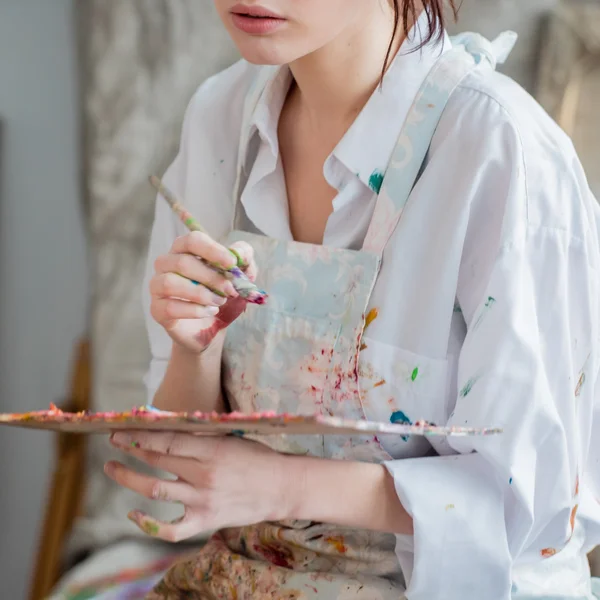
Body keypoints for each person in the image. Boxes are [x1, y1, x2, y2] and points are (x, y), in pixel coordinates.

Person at [102, 0, 600, 598]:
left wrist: (282, 485)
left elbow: (530, 508)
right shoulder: (220, 116)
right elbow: (194, 447)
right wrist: (196, 348)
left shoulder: (500, 149)